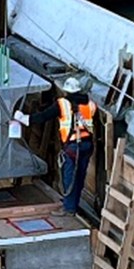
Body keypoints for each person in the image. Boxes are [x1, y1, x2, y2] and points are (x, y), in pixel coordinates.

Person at [28, 75, 97, 216]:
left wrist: (24, 119)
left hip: (73, 146)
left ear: (66, 91)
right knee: (80, 177)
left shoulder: (62, 104)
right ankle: (72, 203)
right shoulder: (91, 105)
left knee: (69, 178)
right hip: (87, 145)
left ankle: (69, 208)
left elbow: (43, 117)